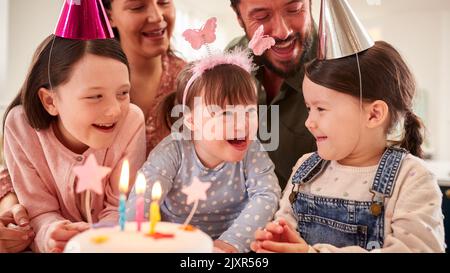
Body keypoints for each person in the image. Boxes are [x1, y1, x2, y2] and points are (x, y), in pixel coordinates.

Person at [251, 41, 446, 253]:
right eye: (309, 108)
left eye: (321, 108)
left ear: (374, 114)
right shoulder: (305, 168)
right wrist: (277, 242)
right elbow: (286, 224)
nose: (309, 121)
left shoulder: (412, 178)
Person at [126, 50, 281, 253]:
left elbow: (267, 194)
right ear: (190, 119)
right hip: (176, 246)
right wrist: (132, 240)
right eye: (225, 113)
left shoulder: (252, 151)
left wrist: (231, 242)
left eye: (250, 111)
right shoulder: (172, 152)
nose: (242, 123)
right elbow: (142, 198)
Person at [2, 35, 146, 252]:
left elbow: (121, 207)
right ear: (50, 101)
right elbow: (37, 211)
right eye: (95, 96)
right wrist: (50, 234)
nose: (115, 110)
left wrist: (98, 238)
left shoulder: (131, 121)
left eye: (123, 93)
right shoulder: (21, 126)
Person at [227, 0, 317, 189]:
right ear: (239, 18)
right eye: (261, 17)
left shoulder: (345, 68)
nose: (282, 32)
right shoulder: (233, 59)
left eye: (294, 9)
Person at [102, 0, 186, 154]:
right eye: (137, 7)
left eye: (164, 2)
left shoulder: (194, 83)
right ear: (109, 16)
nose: (157, 17)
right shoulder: (90, 85)